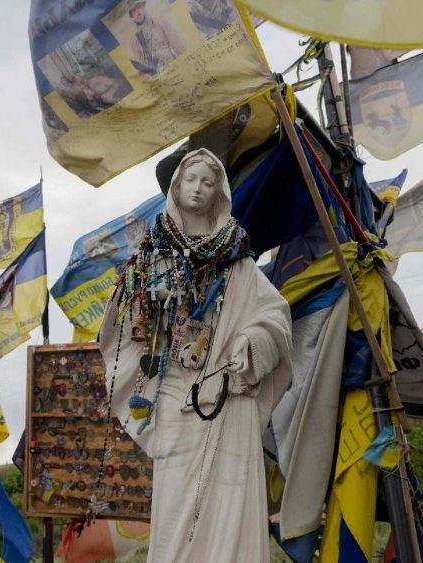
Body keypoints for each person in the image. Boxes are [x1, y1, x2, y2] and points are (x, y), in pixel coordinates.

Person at [99, 149, 292, 562]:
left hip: (227, 403)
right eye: (191, 180)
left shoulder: (237, 262)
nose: (198, 188)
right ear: (176, 187)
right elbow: (124, 322)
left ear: (218, 192)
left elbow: (275, 317)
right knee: (175, 509)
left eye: (207, 181)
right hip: (175, 400)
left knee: (229, 505)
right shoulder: (151, 260)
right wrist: (150, 309)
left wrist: (252, 343)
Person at [125, 0, 187, 76]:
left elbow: (178, 44)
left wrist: (184, 62)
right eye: (133, 11)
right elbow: (139, 62)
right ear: (131, 15)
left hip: (172, 67)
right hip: (155, 76)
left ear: (143, 6)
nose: (137, 12)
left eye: (138, 7)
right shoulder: (133, 39)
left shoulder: (160, 22)